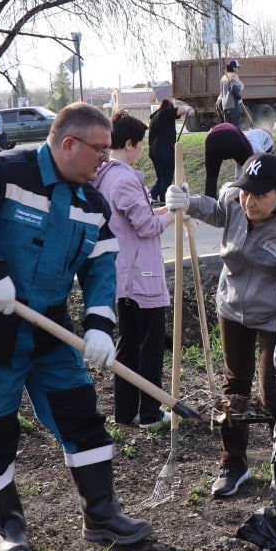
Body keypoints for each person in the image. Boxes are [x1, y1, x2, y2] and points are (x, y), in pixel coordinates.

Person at [0, 103, 150, 551]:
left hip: (49, 331)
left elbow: (102, 264)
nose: (105, 162)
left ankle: (102, 515)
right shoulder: (6, 172)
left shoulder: (92, 203)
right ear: (69, 144)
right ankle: (10, 529)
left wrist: (98, 326)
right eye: (100, 151)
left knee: (80, 416)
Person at [165, 153, 276, 499]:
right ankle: (233, 462)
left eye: (261, 195)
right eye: (247, 192)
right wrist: (188, 201)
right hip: (231, 308)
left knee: (275, 391)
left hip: (274, 317)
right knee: (235, 389)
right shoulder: (235, 199)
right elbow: (217, 210)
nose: (250, 201)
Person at [94, 111, 175, 429]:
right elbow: (146, 226)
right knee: (149, 346)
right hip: (142, 276)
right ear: (129, 144)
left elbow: (132, 217)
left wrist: (166, 208)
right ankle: (151, 413)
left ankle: (125, 413)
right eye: (141, 143)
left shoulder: (104, 176)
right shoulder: (125, 178)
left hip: (121, 274)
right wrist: (174, 215)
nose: (143, 149)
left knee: (127, 343)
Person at [202, 121, 274, 198]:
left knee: (211, 177)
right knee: (251, 170)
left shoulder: (248, 136)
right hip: (233, 137)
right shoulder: (246, 141)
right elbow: (255, 164)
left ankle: (210, 203)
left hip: (212, 140)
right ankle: (256, 195)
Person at [147, 98, 191, 203]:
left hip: (153, 151)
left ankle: (149, 199)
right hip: (164, 151)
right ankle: (165, 203)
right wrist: (188, 108)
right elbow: (180, 110)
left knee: (161, 179)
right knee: (166, 180)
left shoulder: (155, 117)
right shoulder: (165, 113)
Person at [219, 59, 245, 128]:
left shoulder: (223, 77)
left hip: (224, 106)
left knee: (228, 128)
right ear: (233, 68)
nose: (238, 70)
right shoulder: (234, 76)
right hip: (233, 105)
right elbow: (239, 87)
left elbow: (221, 92)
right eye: (237, 68)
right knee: (236, 128)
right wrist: (239, 95)